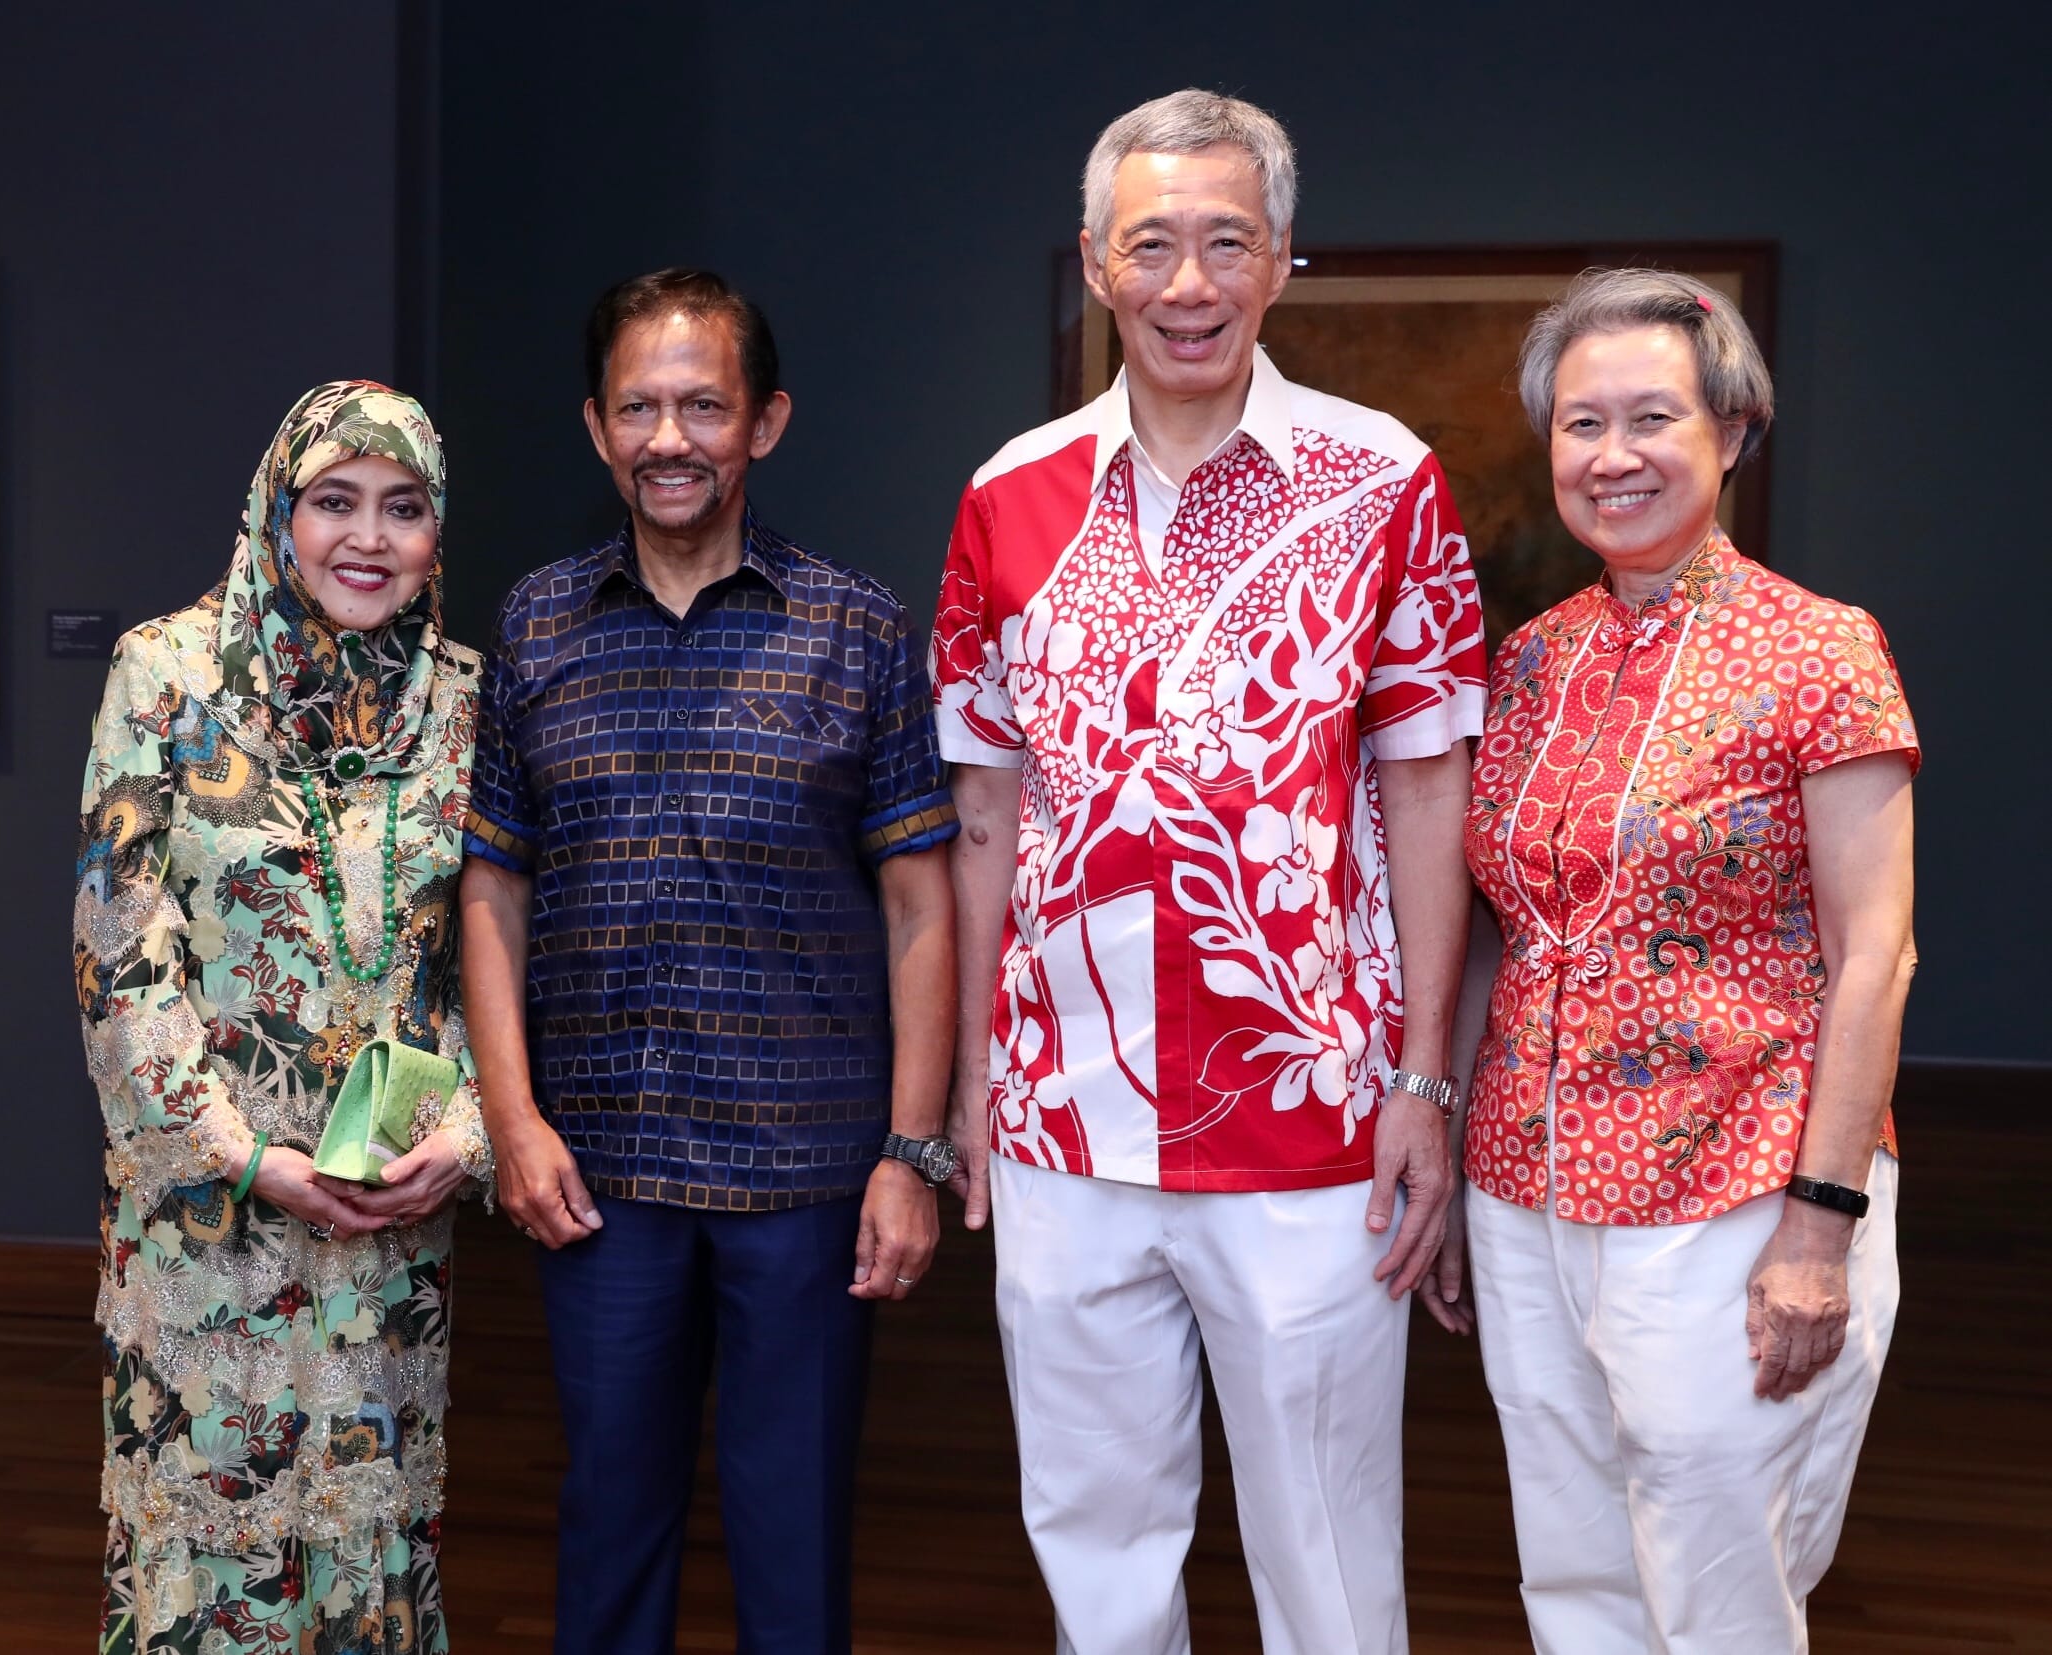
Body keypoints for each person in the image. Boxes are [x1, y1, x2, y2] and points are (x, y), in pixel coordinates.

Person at [932, 91, 1485, 1655]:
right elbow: (987, 804)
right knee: (1095, 1546)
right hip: (1061, 1113)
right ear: (1098, 264)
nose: (1190, 283)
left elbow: (1429, 787)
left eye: (1226, 242)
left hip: (1316, 1112)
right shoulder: (1007, 492)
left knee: (1325, 1547)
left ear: (1284, 261)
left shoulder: (1383, 482)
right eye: (1153, 244)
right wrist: (979, 1077)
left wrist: (1424, 1082)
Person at [458, 268, 959, 1655]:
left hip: (804, 1169)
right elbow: (492, 888)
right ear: (595, 426)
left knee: (793, 1528)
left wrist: (912, 1154)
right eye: (639, 407)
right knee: (609, 1517)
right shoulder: (539, 622)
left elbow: (923, 904)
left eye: (702, 404)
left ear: (766, 422)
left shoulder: (852, 625)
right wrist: (512, 1118)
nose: (668, 437)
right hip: (599, 1169)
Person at [1429, 267, 1917, 1653]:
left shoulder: (1820, 649)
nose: (1612, 454)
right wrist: (1465, 1159)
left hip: (1738, 1188)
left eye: (1652, 415)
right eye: (1581, 424)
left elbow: (1875, 953)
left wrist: (1820, 1224)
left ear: (1732, 430)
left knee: (1716, 1576)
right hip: (1528, 1187)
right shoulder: (1527, 660)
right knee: (1571, 1567)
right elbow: (1501, 931)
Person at [76, 381, 494, 1654]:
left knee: (367, 1536)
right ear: (278, 513)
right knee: (217, 1541)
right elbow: (119, 955)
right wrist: (244, 1158)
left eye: (402, 508)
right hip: (215, 1222)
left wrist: (467, 1126)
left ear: (435, 535)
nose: (367, 537)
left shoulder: (465, 698)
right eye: (334, 501)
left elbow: (487, 954)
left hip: (387, 1210)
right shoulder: (167, 673)